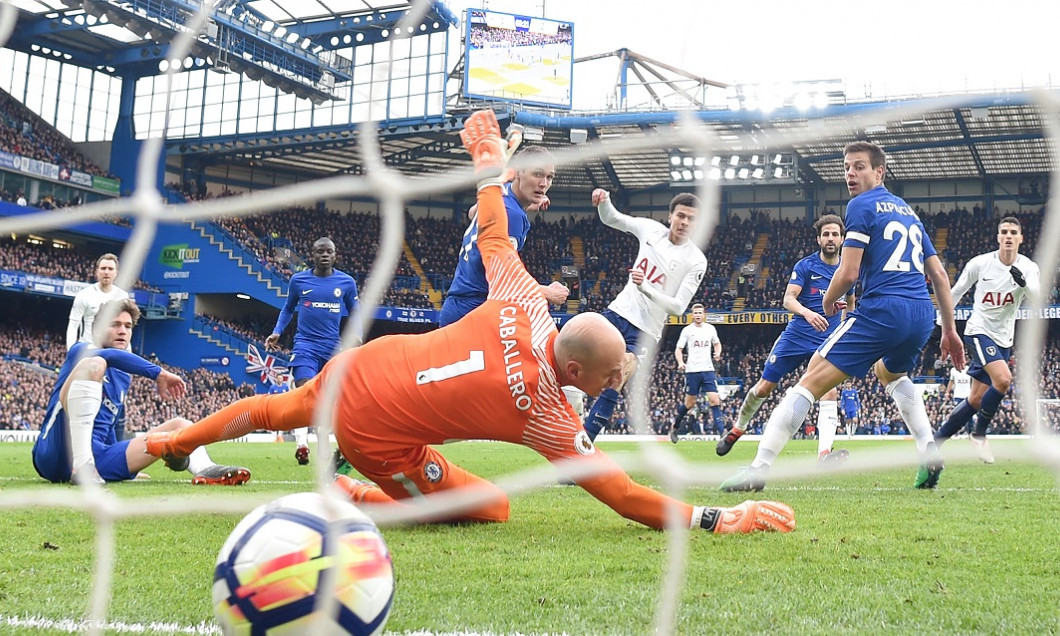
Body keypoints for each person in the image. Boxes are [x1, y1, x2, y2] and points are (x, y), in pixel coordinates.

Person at [144, 109, 794, 535]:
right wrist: (716, 518)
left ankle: (171, 444)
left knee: (274, 409)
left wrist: (486, 155)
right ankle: (346, 494)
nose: (608, 387)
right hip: (376, 435)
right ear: (573, 371)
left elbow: (491, 230)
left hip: (363, 364)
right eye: (605, 378)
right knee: (490, 505)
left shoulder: (522, 300)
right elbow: (623, 495)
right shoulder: (548, 415)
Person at [720, 141, 964, 492]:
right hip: (922, 313)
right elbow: (939, 277)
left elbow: (848, 274)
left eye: (859, 166)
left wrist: (829, 301)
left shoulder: (861, 205)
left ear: (879, 172)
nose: (850, 172)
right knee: (890, 373)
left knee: (810, 380)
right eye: (847, 166)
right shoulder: (908, 212)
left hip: (884, 308)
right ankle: (928, 448)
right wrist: (950, 330)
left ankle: (758, 468)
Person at [32, 299, 251, 486]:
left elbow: (112, 426)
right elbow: (109, 358)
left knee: (181, 425)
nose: (122, 331)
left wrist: (126, 465)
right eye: (114, 324)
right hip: (56, 453)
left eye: (128, 326)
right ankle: (81, 466)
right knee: (95, 364)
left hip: (98, 457)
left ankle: (206, 469)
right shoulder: (81, 350)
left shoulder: (123, 376)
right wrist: (158, 373)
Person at [716, 215, 854, 464]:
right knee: (763, 388)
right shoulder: (805, 266)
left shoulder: (848, 271)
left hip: (826, 341)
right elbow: (788, 300)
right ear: (818, 239)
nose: (831, 238)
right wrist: (809, 313)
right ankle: (738, 428)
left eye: (835, 234)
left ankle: (824, 454)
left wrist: (845, 330)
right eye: (826, 234)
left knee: (830, 393)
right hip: (796, 336)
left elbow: (851, 306)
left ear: (842, 238)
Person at [581, 189, 707, 441]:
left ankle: (583, 447)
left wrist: (645, 287)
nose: (684, 222)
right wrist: (604, 201)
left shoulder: (696, 260)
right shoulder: (650, 230)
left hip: (645, 333)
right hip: (617, 314)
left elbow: (678, 307)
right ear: (670, 216)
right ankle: (564, 420)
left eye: (691, 219)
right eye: (680, 215)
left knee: (617, 378)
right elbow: (612, 218)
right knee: (575, 356)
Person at [933, 217, 1040, 466]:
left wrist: (1022, 282)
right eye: (1004, 232)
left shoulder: (1028, 267)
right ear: (998, 237)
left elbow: (1036, 297)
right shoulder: (980, 264)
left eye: (1014, 232)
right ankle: (979, 435)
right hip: (979, 330)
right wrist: (943, 325)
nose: (1009, 236)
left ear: (1021, 238)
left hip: (1004, 338)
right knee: (1003, 379)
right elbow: (956, 291)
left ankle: (935, 442)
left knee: (976, 399)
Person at [438, 144, 569, 327]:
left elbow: (471, 212)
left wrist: (526, 204)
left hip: (458, 306)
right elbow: (504, 275)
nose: (544, 183)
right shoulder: (513, 216)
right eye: (537, 174)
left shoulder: (500, 192)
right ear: (517, 172)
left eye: (549, 177)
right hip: (475, 312)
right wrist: (547, 292)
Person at [265, 237, 359, 466]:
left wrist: (357, 334)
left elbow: (356, 311)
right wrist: (278, 331)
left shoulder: (346, 283)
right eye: (320, 252)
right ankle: (303, 443)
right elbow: (288, 309)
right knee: (306, 392)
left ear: (335, 255)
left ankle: (324, 444)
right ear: (313, 255)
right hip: (305, 346)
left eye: (329, 252)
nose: (325, 255)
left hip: (332, 348)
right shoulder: (299, 281)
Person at [669, 303, 723, 443]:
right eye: (696, 313)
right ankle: (675, 427)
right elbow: (678, 349)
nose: (698, 315)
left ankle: (723, 433)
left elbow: (717, 344)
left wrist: (717, 353)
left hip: (708, 370)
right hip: (692, 371)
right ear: (692, 315)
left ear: (704, 314)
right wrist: (681, 363)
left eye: (700, 313)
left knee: (714, 400)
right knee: (689, 404)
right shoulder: (687, 331)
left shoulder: (710, 329)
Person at [67, 253, 129, 350]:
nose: (106, 272)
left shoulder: (123, 296)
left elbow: (126, 328)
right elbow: (73, 326)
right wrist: (70, 353)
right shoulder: (84, 295)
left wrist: (127, 352)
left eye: (110, 269)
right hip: (87, 350)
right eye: (103, 268)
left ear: (116, 273)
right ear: (97, 271)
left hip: (112, 351)